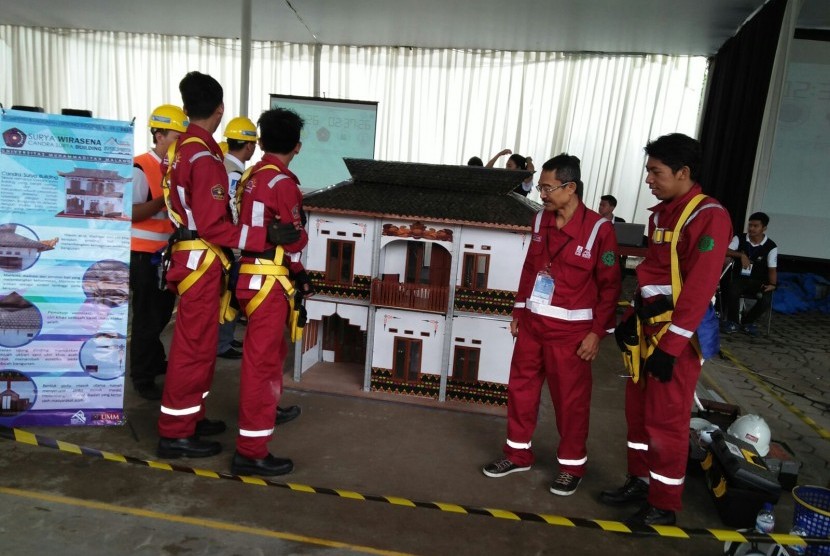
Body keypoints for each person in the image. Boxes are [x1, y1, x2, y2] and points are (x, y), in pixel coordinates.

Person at [156, 71, 300, 459]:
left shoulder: (180, 150)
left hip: (192, 257)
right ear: (219, 110)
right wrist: (264, 238)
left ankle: (191, 417)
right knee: (192, 347)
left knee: (198, 345)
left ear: (186, 109)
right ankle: (175, 431)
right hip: (202, 259)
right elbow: (214, 226)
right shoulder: (204, 159)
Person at [600, 133, 732, 526]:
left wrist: (671, 348)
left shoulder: (708, 216)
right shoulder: (661, 215)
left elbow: (698, 289)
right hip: (646, 331)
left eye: (655, 172)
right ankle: (640, 481)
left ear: (684, 172)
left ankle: (664, 504)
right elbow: (652, 278)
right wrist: (629, 319)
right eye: (648, 171)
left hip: (677, 339)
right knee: (638, 415)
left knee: (667, 422)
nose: (648, 180)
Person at [482, 154, 621, 497]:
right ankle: (517, 454)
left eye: (547, 187)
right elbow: (530, 267)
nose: (541, 194)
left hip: (571, 335)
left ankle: (571, 467)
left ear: (570, 188)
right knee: (521, 390)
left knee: (570, 402)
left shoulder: (599, 230)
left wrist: (596, 333)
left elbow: (610, 286)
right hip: (532, 325)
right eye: (541, 187)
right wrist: (518, 311)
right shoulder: (540, 220)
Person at [230, 108, 312, 476]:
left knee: (266, 358)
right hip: (268, 282)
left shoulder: (250, 176)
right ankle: (251, 451)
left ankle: (263, 419)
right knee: (261, 365)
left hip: (252, 275)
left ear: (260, 142)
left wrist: (296, 270)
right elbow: (295, 238)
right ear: (297, 146)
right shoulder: (283, 184)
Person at [129, 105, 186, 400]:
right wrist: (163, 199)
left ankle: (153, 360)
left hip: (165, 257)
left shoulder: (173, 169)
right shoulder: (141, 167)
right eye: (176, 137)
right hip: (142, 257)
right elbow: (131, 212)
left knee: (161, 313)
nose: (180, 143)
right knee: (146, 318)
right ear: (159, 134)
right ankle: (142, 376)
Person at [216, 116, 258, 360]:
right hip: (231, 242)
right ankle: (222, 344)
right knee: (230, 293)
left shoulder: (221, 166)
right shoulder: (235, 174)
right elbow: (232, 209)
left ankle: (226, 339)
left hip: (222, 240)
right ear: (249, 146)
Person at [721, 212, 777, 337]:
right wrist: (741, 255)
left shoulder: (771, 246)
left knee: (766, 298)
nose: (751, 228)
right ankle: (733, 321)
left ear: (764, 228)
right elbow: (725, 250)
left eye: (755, 226)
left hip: (758, 281)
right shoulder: (739, 238)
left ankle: (748, 322)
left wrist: (773, 284)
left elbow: (772, 268)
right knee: (732, 290)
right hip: (740, 278)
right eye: (750, 225)